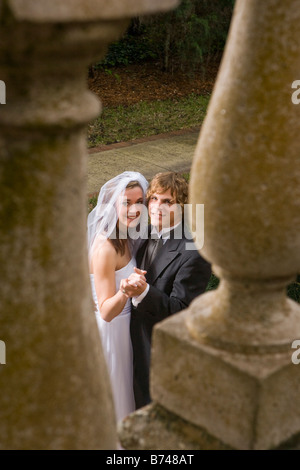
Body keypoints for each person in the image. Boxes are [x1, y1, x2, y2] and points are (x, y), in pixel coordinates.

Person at [122, 171, 212, 409]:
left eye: (167, 202)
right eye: (153, 199)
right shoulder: (144, 235)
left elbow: (181, 311)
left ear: (181, 207)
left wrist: (143, 292)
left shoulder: (194, 252)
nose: (157, 207)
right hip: (130, 347)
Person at [87, 171, 148, 423]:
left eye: (139, 202)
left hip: (126, 330)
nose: (134, 209)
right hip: (110, 333)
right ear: (113, 205)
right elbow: (105, 311)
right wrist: (124, 291)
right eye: (127, 203)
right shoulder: (106, 248)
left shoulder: (125, 235)